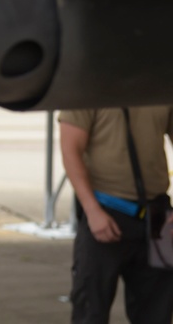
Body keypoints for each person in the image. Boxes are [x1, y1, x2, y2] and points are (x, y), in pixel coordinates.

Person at [59, 106, 173, 323]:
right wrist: (92, 210)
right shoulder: (89, 86)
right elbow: (70, 150)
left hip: (158, 215)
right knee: (91, 309)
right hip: (105, 210)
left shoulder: (160, 85)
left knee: (158, 312)